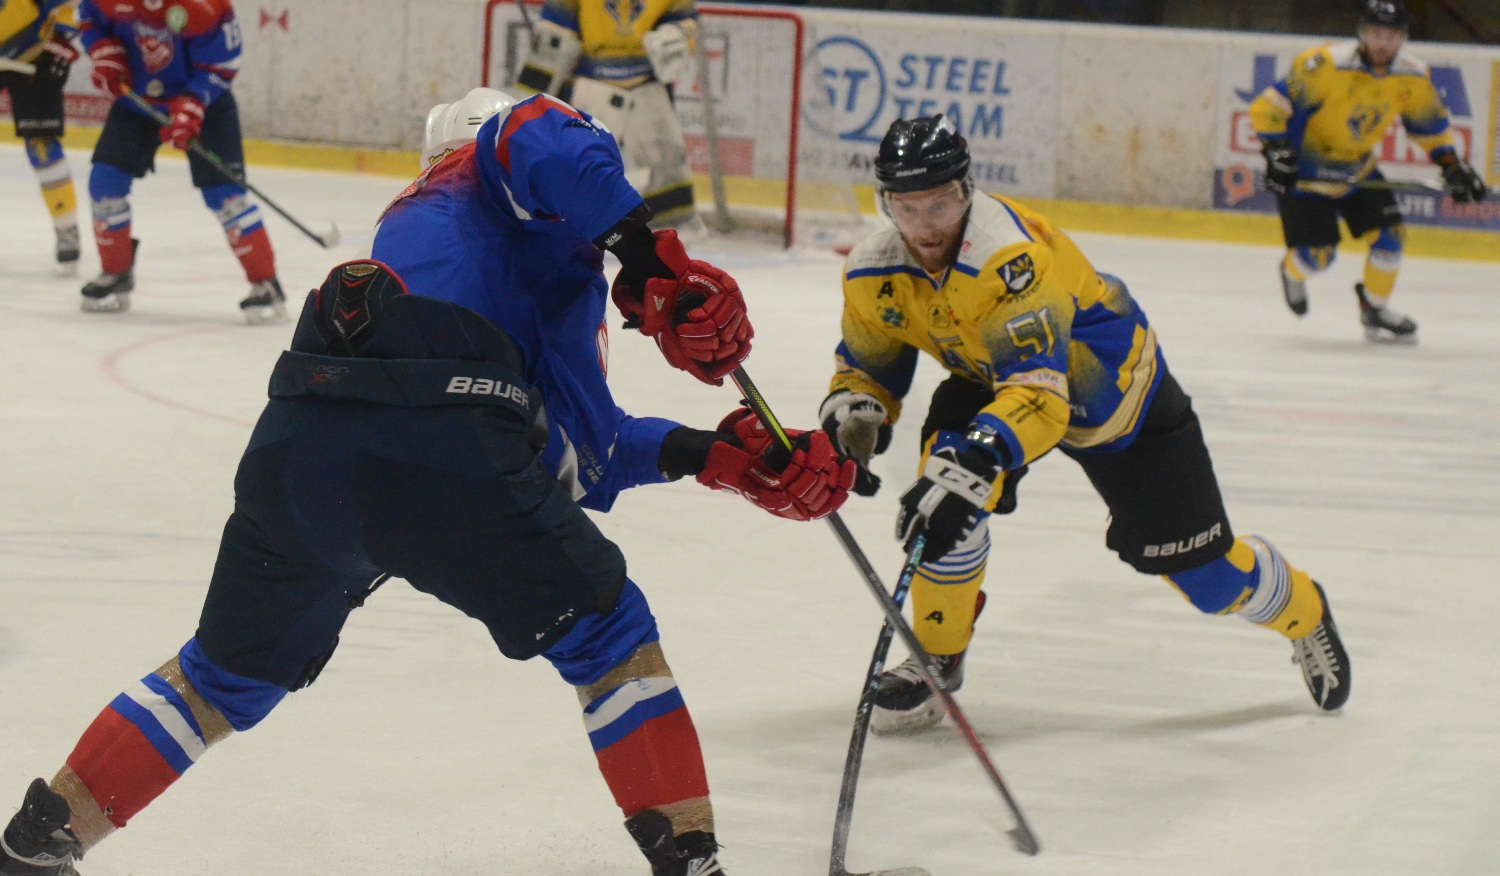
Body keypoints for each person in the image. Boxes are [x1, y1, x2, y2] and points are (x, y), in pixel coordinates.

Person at [0, 88, 855, 876]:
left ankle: (38, 845)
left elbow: (578, 457)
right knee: (610, 639)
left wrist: (712, 453)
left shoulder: (463, 255)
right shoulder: (485, 173)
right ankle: (693, 867)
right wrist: (648, 256)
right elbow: (537, 133)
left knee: (219, 677)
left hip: (303, 444)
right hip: (444, 447)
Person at [817, 115, 1352, 736]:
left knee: (1206, 579)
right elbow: (868, 364)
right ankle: (938, 656)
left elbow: (1044, 397)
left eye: (940, 204)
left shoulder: (1010, 257)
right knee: (944, 495)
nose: (925, 226)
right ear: (885, 204)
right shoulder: (873, 269)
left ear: (966, 189)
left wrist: (980, 456)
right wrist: (855, 411)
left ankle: (1304, 609)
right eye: (906, 209)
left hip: (1112, 394)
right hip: (992, 379)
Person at [1248, 0, 1488, 344]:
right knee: (1318, 257)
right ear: (1362, 33)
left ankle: (1374, 308)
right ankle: (1291, 272)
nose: (1382, 44)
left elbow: (1428, 126)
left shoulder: (1412, 76)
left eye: (1391, 37)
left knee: (1391, 239)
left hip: (1357, 170)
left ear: (1403, 38)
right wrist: (1276, 151)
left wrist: (1450, 164)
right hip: (1306, 175)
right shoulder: (1325, 64)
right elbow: (1268, 108)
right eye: (1376, 34)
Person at [74, 0, 286, 321]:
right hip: (137, 100)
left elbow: (224, 62)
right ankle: (115, 272)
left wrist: (194, 102)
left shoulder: (205, 6)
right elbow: (87, 16)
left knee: (225, 196)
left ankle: (266, 282)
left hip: (204, 105)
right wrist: (104, 50)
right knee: (105, 182)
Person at [515, 0, 707, 236]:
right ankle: (564, 226)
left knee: (665, 162)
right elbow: (555, 36)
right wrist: (528, 103)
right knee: (578, 165)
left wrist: (674, 33)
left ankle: (671, 231)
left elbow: (682, 17)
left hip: (647, 87)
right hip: (589, 86)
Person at [0, 0, 82, 272]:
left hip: (35, 50)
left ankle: (66, 226)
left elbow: (69, 4)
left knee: (42, 143)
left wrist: (61, 39)